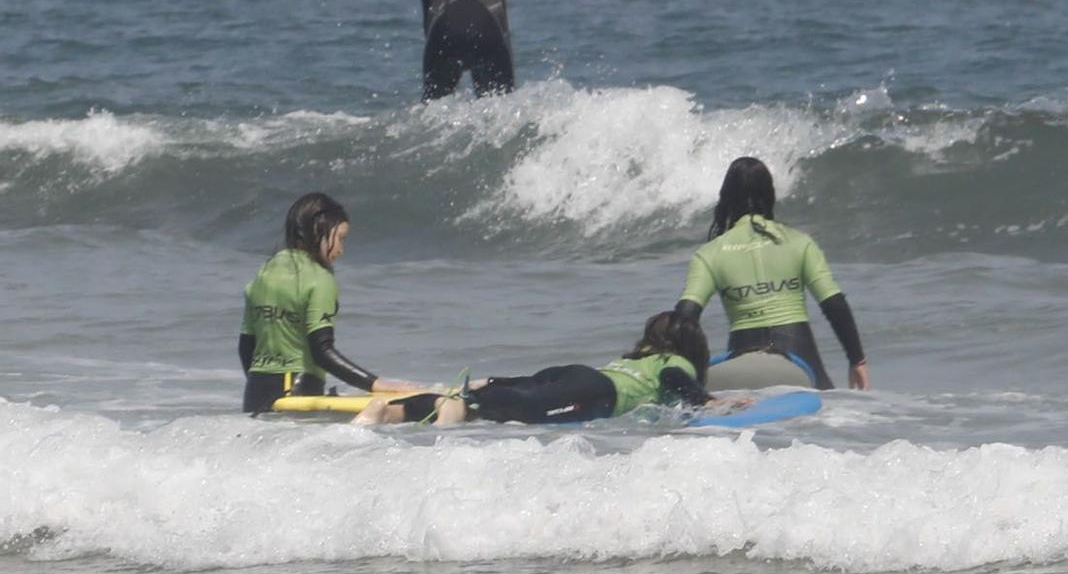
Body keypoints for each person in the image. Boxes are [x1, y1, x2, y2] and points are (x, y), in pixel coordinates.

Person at [673, 156, 869, 391]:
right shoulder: (799, 242)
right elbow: (834, 303)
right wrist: (856, 360)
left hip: (742, 366)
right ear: (770, 194)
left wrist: (680, 371)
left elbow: (686, 316)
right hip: (801, 364)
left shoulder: (709, 254)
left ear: (726, 198)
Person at [354, 311, 715, 426]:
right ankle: (463, 404)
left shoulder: (637, 358)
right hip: (595, 392)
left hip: (579, 374)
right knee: (522, 409)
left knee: (522, 393)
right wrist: (706, 400)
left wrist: (496, 378)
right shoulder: (674, 361)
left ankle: (394, 412)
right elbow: (674, 379)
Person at [240, 193, 423, 413]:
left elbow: (245, 347)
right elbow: (322, 351)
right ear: (318, 230)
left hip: (254, 394)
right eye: (340, 238)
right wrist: (375, 384)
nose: (341, 250)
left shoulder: (263, 274)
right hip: (297, 395)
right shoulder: (319, 278)